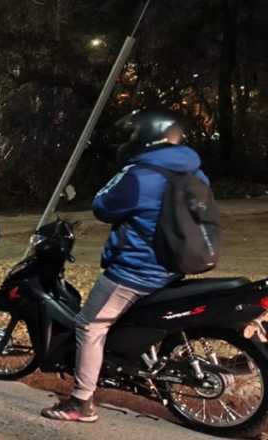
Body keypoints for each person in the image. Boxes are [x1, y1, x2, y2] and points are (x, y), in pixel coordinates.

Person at [42, 109, 206, 423]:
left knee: (90, 325)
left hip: (137, 270)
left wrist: (125, 172)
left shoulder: (139, 175)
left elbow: (103, 206)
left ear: (147, 138)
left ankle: (80, 402)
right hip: (174, 264)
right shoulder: (194, 171)